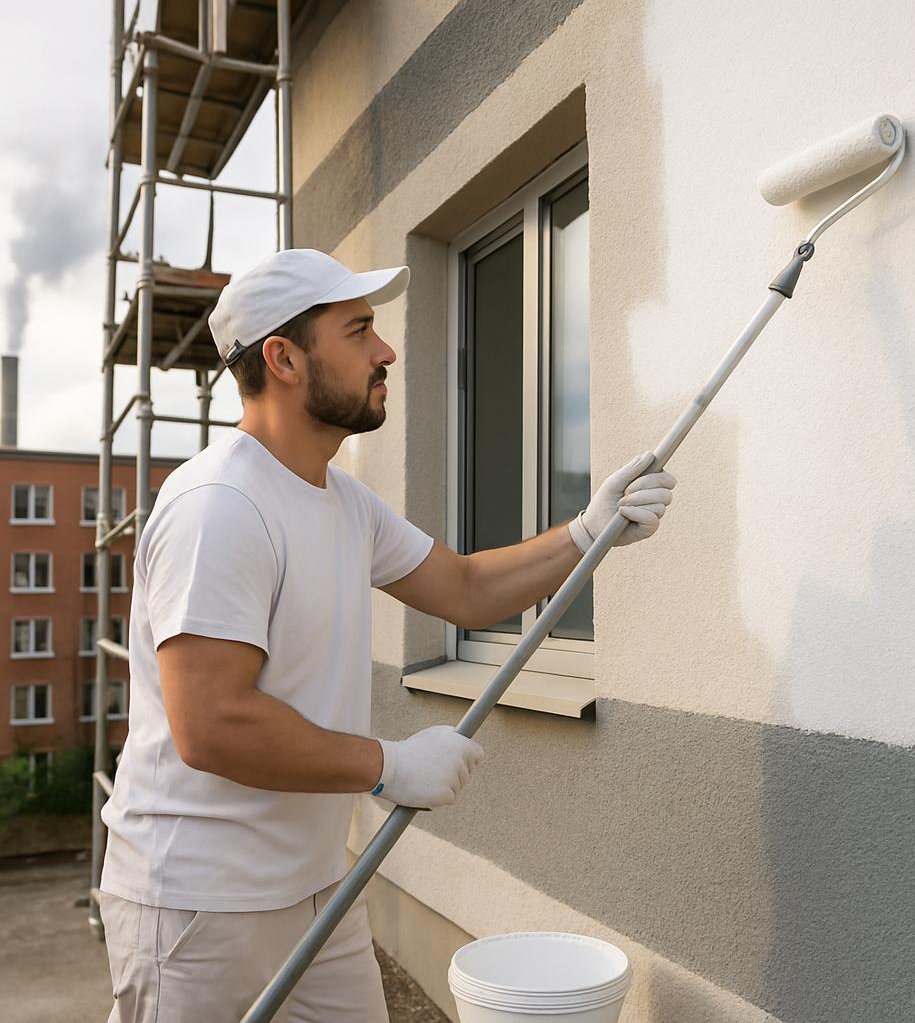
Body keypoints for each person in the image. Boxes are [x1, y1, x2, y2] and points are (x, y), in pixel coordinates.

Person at [97, 248, 676, 1022]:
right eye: (359, 330)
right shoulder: (220, 505)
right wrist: (387, 764)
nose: (386, 351)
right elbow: (211, 724)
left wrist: (587, 531)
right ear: (284, 358)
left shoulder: (343, 502)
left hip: (313, 887)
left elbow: (465, 589)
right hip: (200, 908)